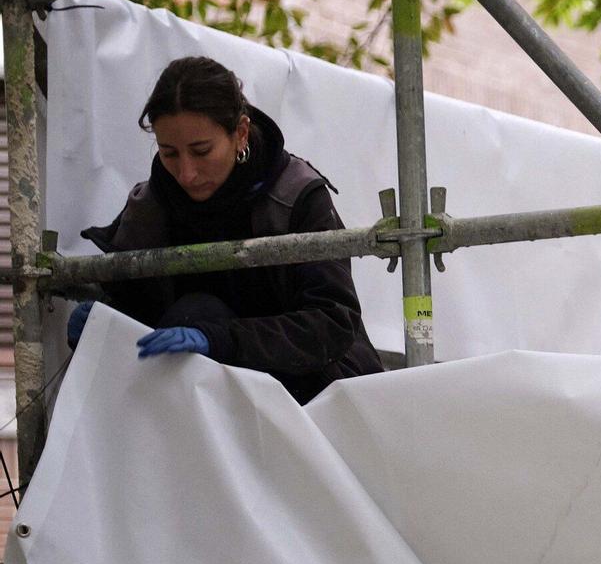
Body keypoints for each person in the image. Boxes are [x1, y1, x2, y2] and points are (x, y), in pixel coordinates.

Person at [70, 55, 384, 402]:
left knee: (199, 312)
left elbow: (333, 323)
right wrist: (106, 320)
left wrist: (221, 339)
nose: (186, 173)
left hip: (312, 395)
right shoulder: (150, 208)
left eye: (201, 151)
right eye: (169, 153)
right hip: (194, 410)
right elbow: (140, 313)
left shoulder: (296, 196)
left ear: (241, 134)